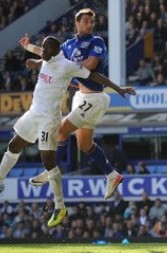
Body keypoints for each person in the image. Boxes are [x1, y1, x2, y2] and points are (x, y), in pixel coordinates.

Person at [0, 36, 134, 227]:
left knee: (48, 162)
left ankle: (60, 207)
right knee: (13, 145)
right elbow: (41, 56)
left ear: (55, 50)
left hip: (49, 119)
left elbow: (94, 76)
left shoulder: (67, 65)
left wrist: (117, 88)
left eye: (46, 48)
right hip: (33, 113)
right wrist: (31, 53)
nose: (43, 51)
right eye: (43, 48)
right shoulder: (47, 58)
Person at [19, 8, 136, 199]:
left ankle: (50, 171)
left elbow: (90, 65)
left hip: (95, 98)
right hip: (81, 98)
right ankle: (112, 175)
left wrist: (65, 67)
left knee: (61, 131)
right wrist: (30, 49)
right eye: (86, 21)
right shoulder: (68, 44)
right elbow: (50, 55)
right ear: (77, 23)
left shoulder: (96, 41)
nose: (90, 24)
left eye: (92, 21)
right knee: (84, 145)